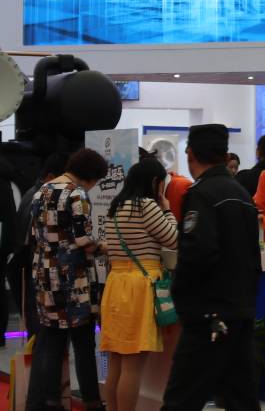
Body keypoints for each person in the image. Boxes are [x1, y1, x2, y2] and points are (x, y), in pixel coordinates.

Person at [161, 124, 262, 410]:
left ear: (190, 153)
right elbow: (252, 255)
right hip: (240, 312)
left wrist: (182, 297)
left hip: (208, 315)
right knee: (241, 399)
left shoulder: (202, 194)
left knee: (180, 400)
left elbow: (197, 254)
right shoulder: (241, 194)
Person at [26, 148, 109, 411]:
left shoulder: (43, 190)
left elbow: (36, 233)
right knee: (83, 343)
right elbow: (82, 240)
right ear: (91, 175)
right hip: (73, 278)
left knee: (52, 340)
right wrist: (104, 247)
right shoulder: (76, 194)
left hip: (44, 274)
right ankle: (92, 402)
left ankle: (51, 402)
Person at [100, 158, 179, 411]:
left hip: (116, 284)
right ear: (155, 183)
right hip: (140, 287)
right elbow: (174, 239)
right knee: (133, 365)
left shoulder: (116, 206)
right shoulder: (146, 206)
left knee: (116, 361)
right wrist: (167, 209)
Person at [8, 152, 68, 339]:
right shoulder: (44, 197)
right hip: (40, 272)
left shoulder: (32, 193)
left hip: (31, 269)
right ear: (51, 176)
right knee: (44, 335)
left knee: (39, 332)